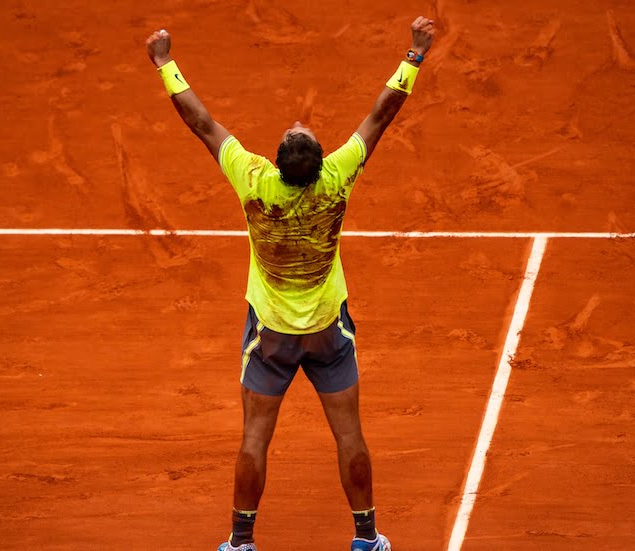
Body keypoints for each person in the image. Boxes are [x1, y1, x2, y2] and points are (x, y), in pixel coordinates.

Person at [146, 16, 436, 551]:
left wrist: (166, 65)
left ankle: (241, 542)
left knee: (255, 437)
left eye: (291, 134)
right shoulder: (338, 176)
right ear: (319, 159)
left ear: (277, 163)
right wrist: (413, 57)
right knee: (349, 433)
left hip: (271, 335)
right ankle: (366, 539)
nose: (295, 127)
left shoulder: (253, 179)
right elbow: (381, 114)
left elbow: (202, 124)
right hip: (328, 329)